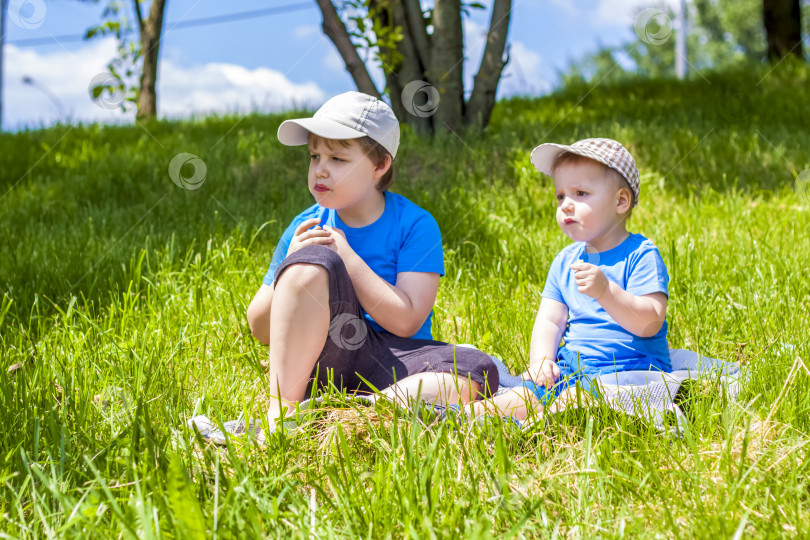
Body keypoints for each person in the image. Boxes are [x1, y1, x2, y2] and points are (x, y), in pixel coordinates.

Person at [246, 91, 498, 425]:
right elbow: (261, 328)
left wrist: (348, 257)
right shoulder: (304, 227)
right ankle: (283, 417)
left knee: (477, 370)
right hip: (324, 353)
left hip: (394, 361)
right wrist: (291, 268)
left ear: (379, 165)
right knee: (315, 260)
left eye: (337, 159)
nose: (320, 170)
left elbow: (407, 323)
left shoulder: (415, 225)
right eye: (314, 156)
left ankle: (358, 412)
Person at [468, 138, 670, 421]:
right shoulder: (566, 260)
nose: (566, 206)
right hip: (574, 367)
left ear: (621, 201)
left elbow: (650, 322)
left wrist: (606, 292)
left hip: (632, 369)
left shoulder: (640, 254)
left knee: (575, 401)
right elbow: (550, 320)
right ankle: (458, 417)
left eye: (581, 193)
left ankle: (546, 422)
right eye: (561, 196)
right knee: (524, 395)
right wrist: (541, 361)